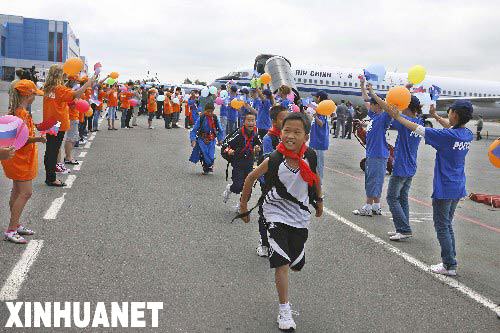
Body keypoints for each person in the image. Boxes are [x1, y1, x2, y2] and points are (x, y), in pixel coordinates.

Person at [239, 112, 323, 331]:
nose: (291, 136)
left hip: (299, 217)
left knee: (296, 265)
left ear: (306, 136)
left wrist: (320, 202)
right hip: (274, 214)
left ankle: (296, 258)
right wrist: (243, 206)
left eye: (297, 132)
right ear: (280, 133)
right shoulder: (275, 158)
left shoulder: (310, 157)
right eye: (287, 131)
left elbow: (315, 178)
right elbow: (251, 177)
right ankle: (284, 310)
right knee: (282, 264)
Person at [387, 100, 473, 276]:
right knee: (447, 224)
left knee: (441, 226)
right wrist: (435, 116)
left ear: (455, 114)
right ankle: (451, 261)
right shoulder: (467, 134)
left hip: (445, 186)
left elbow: (419, 129)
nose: (448, 114)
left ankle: (449, 264)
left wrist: (398, 117)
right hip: (457, 186)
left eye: (450, 111)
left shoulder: (447, 136)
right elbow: (450, 126)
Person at [370, 90, 423, 241]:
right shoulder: (419, 122)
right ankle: (403, 227)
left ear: (408, 106)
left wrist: (373, 95)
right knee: (403, 198)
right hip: (411, 167)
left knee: (392, 197)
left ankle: (404, 229)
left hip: (401, 167)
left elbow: (387, 109)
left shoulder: (405, 122)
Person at [2, 80, 46, 243]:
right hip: (21, 159)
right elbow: (23, 140)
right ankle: (12, 229)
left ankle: (16, 224)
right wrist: (39, 138)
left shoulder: (14, 111)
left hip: (13, 158)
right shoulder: (22, 114)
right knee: (26, 193)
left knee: (16, 191)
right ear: (28, 95)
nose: (35, 97)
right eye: (34, 94)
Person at [43, 64, 93, 187]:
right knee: (53, 151)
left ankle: (49, 176)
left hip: (50, 122)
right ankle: (51, 179)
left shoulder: (48, 87)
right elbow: (75, 94)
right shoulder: (59, 89)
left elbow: (65, 93)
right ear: (59, 75)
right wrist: (88, 83)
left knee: (50, 150)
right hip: (58, 123)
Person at [352, 77, 392, 216]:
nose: (370, 106)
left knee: (372, 181)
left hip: (377, 154)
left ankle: (368, 207)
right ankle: (376, 206)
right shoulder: (374, 116)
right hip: (374, 154)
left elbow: (386, 106)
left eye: (373, 104)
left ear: (377, 105)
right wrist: (363, 86)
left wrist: (373, 93)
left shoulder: (384, 117)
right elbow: (365, 99)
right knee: (376, 180)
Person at [256, 105, 288, 257]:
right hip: (269, 181)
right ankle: (263, 242)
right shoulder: (269, 138)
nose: (286, 121)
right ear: (274, 121)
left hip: (285, 182)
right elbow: (270, 160)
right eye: (283, 118)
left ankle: (276, 242)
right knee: (265, 212)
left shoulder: (288, 136)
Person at [222, 113, 261, 211]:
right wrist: (229, 151)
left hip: (249, 163)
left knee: (248, 187)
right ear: (244, 122)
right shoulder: (239, 134)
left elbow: (260, 144)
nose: (251, 123)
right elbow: (226, 144)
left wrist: (258, 148)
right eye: (248, 120)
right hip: (238, 163)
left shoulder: (255, 134)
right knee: (238, 186)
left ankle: (241, 205)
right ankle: (230, 188)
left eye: (253, 120)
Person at [189, 103, 224, 175]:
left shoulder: (215, 118)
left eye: (211, 111)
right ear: (205, 111)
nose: (210, 113)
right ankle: (206, 168)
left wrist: (220, 139)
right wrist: (193, 140)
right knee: (204, 154)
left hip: (211, 139)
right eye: (208, 111)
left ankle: (209, 165)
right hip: (202, 139)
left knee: (211, 156)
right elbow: (194, 130)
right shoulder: (201, 118)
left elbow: (220, 130)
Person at [309, 91, 330, 181]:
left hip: (319, 142)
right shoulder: (319, 109)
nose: (315, 99)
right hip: (315, 141)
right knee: (313, 163)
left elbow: (321, 123)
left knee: (318, 164)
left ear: (319, 98)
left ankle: (319, 184)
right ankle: (314, 182)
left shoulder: (323, 110)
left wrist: (315, 116)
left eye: (316, 97)